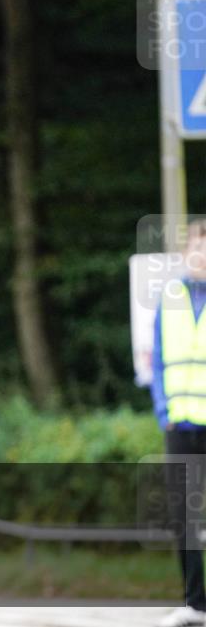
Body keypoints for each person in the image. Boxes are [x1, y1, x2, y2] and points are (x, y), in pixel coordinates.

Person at [154, 219, 206, 627]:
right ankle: (194, 603)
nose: (200, 254)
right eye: (195, 246)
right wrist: (163, 414)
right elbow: (157, 362)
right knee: (185, 519)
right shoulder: (170, 298)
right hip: (180, 427)